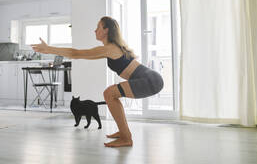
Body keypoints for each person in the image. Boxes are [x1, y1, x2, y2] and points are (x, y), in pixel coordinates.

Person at [31, 16, 164, 147]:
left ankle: (126, 137)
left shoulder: (110, 48)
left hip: (150, 80)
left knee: (109, 94)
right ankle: (124, 132)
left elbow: (76, 54)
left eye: (98, 27)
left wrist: (48, 48)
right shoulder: (110, 48)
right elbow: (78, 54)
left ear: (106, 30)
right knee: (111, 94)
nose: (95, 30)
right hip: (151, 78)